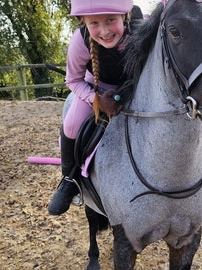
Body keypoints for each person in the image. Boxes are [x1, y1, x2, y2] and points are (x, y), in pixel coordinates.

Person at [48, 0, 143, 215]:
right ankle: (69, 178)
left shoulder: (142, 28)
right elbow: (73, 81)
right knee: (71, 125)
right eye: (95, 23)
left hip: (138, 87)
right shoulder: (79, 41)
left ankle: (197, 160)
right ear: (84, 22)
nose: (105, 31)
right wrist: (97, 100)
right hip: (98, 88)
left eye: (111, 20)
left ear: (124, 16)